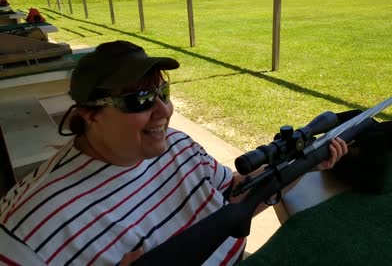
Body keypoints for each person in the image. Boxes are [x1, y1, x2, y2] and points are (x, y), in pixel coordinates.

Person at [0, 40, 347, 265]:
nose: (164, 111)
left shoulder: (178, 146)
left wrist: (305, 163)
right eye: (140, 100)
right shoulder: (26, 226)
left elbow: (235, 196)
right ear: (89, 114)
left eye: (163, 92)